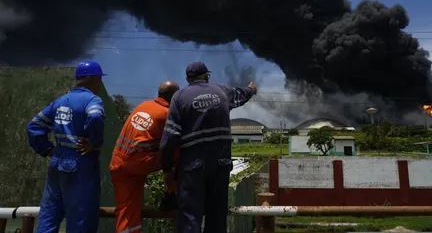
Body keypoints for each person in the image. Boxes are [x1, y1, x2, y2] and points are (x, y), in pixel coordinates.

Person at [159, 62, 258, 233]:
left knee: (190, 216)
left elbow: (170, 137)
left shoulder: (180, 97)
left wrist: (167, 169)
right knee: (217, 216)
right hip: (221, 163)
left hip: (192, 166)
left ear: (187, 79)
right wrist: (252, 89)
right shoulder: (222, 91)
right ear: (206, 75)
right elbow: (242, 94)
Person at [27, 61, 107, 233]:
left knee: (49, 215)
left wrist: (48, 150)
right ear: (95, 78)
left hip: (57, 162)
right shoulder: (92, 100)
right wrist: (94, 142)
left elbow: (33, 127)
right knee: (81, 219)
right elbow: (95, 116)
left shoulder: (60, 101)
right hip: (80, 163)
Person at [110, 80, 180, 233]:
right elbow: (171, 146)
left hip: (118, 162)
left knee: (126, 210)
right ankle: (171, 195)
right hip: (138, 163)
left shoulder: (144, 105)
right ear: (175, 97)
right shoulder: (167, 114)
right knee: (177, 151)